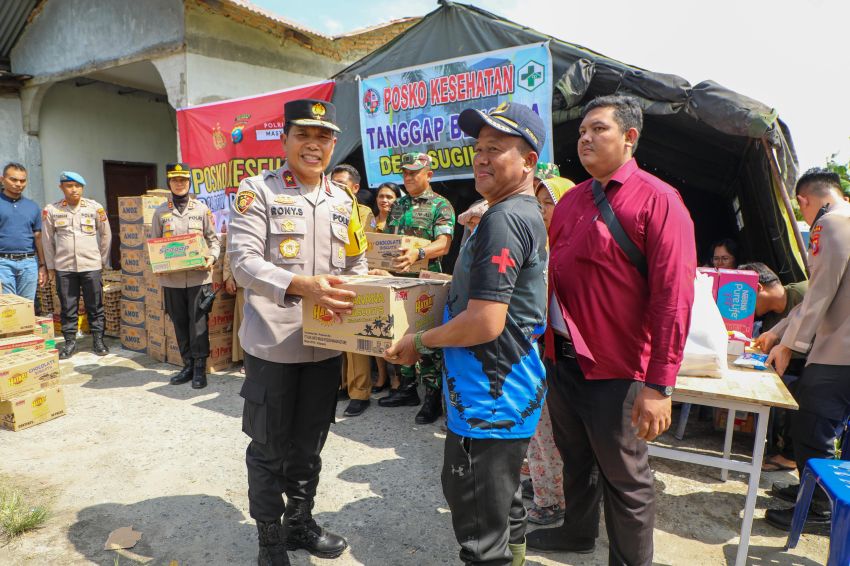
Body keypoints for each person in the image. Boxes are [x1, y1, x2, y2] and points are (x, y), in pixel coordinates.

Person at [529, 95, 696, 564]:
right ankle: (577, 533)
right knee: (575, 459)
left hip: (618, 369)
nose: (585, 137)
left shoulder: (659, 200)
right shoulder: (572, 201)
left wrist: (659, 384)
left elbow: (673, 298)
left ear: (629, 137)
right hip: (562, 359)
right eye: (582, 131)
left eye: (598, 129)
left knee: (625, 478)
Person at [384, 101, 549, 566]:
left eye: (495, 148)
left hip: (489, 400)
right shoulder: (512, 212)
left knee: (480, 532)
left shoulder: (504, 219)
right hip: (501, 393)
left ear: (528, 161)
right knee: (503, 508)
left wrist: (419, 342)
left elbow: (486, 321)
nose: (480, 157)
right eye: (478, 147)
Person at [229, 99, 367, 565]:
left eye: (324, 136)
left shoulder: (343, 200)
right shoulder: (258, 191)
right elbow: (243, 264)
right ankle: (269, 539)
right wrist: (301, 286)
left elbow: (357, 262)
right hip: (274, 343)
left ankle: (299, 523)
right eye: (304, 134)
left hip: (326, 345)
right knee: (269, 448)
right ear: (285, 139)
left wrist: (367, 290)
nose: (314, 145)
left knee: (310, 444)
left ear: (333, 144)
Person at [756, 168, 850, 533]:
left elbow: (820, 295)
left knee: (812, 424)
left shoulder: (830, 224)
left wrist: (789, 346)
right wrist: (779, 333)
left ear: (803, 201)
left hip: (837, 353)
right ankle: (813, 493)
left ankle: (820, 510)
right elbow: (815, 293)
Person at [377, 152, 455, 425]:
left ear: (429, 175)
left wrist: (418, 252)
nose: (409, 177)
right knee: (399, 333)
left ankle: (432, 398)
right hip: (398, 280)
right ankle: (407, 388)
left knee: (427, 338)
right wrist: (380, 265)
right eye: (405, 173)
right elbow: (388, 242)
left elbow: (444, 244)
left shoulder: (440, 206)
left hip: (427, 282)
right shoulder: (398, 205)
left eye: (414, 172)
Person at [523, 168, 575, 525]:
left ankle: (553, 500)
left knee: (551, 435)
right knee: (537, 431)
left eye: (549, 204)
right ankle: (546, 491)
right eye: (538, 203)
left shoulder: (569, 253)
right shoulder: (539, 247)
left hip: (559, 359)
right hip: (534, 355)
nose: (542, 211)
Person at [151, 163, 220, 389]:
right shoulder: (161, 212)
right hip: (172, 280)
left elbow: (213, 240)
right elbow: (154, 244)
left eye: (183, 180)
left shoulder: (201, 210)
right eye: (174, 180)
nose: (179, 184)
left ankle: (200, 368)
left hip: (199, 278)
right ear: (169, 183)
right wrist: (157, 263)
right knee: (180, 323)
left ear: (189, 183)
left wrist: (211, 258)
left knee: (198, 324)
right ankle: (187, 365)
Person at [743, 261, 808, 471]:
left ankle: (788, 455)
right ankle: (777, 449)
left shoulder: (803, 293)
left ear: (757, 288)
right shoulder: (770, 320)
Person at [42, 172, 112, 359]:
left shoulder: (95, 208)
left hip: (91, 265)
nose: (74, 189)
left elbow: (106, 234)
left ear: (83, 187)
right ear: (61, 187)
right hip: (64, 267)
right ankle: (70, 342)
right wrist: (50, 266)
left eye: (78, 186)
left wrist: (102, 260)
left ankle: (98, 340)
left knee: (95, 305)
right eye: (69, 185)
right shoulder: (53, 210)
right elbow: (47, 241)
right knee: (67, 306)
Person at [331, 164, 374, 417]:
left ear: (355, 188)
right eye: (332, 184)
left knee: (356, 338)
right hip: (332, 278)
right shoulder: (325, 209)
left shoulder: (365, 213)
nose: (335, 189)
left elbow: (370, 250)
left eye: (341, 185)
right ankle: (342, 385)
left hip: (356, 278)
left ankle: (360, 392)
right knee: (334, 334)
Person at [368, 181, 401, 393]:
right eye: (381, 196)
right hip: (373, 278)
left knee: (394, 331)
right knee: (375, 330)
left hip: (396, 278)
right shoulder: (370, 221)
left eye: (389, 196)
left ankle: (397, 378)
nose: (385, 200)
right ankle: (381, 377)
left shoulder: (400, 222)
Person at [0, 162, 46, 299]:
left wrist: (42, 265)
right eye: (13, 179)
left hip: (29, 263)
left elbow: (38, 236)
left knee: (27, 306)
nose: (18, 184)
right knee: (8, 307)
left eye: (22, 180)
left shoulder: (32, 206)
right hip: (3, 263)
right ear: (2, 179)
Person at [222, 251, 244, 372]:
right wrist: (228, 277)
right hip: (245, 281)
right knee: (245, 322)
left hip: (271, 280)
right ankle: (248, 360)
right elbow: (230, 250)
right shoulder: (237, 230)